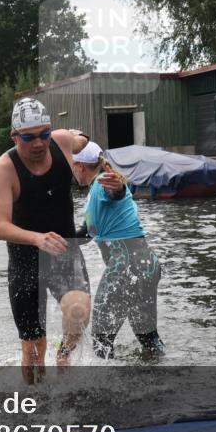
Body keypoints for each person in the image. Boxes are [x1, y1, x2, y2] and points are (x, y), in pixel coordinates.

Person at [0, 98, 122, 380]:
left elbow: (83, 140)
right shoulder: (4, 169)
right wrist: (37, 238)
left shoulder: (61, 142)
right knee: (34, 349)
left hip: (64, 252)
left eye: (44, 134)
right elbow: (0, 227)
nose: (39, 143)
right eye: (29, 137)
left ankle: (63, 356)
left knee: (79, 312)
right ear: (14, 136)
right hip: (25, 261)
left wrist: (84, 141)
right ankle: (34, 403)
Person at [71, 142, 165, 359]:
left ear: (80, 166)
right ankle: (166, 377)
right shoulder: (96, 191)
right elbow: (86, 234)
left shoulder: (103, 183)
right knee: (148, 338)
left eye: (71, 166)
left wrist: (118, 188)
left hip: (126, 268)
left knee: (101, 341)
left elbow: (117, 192)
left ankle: (107, 390)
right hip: (147, 265)